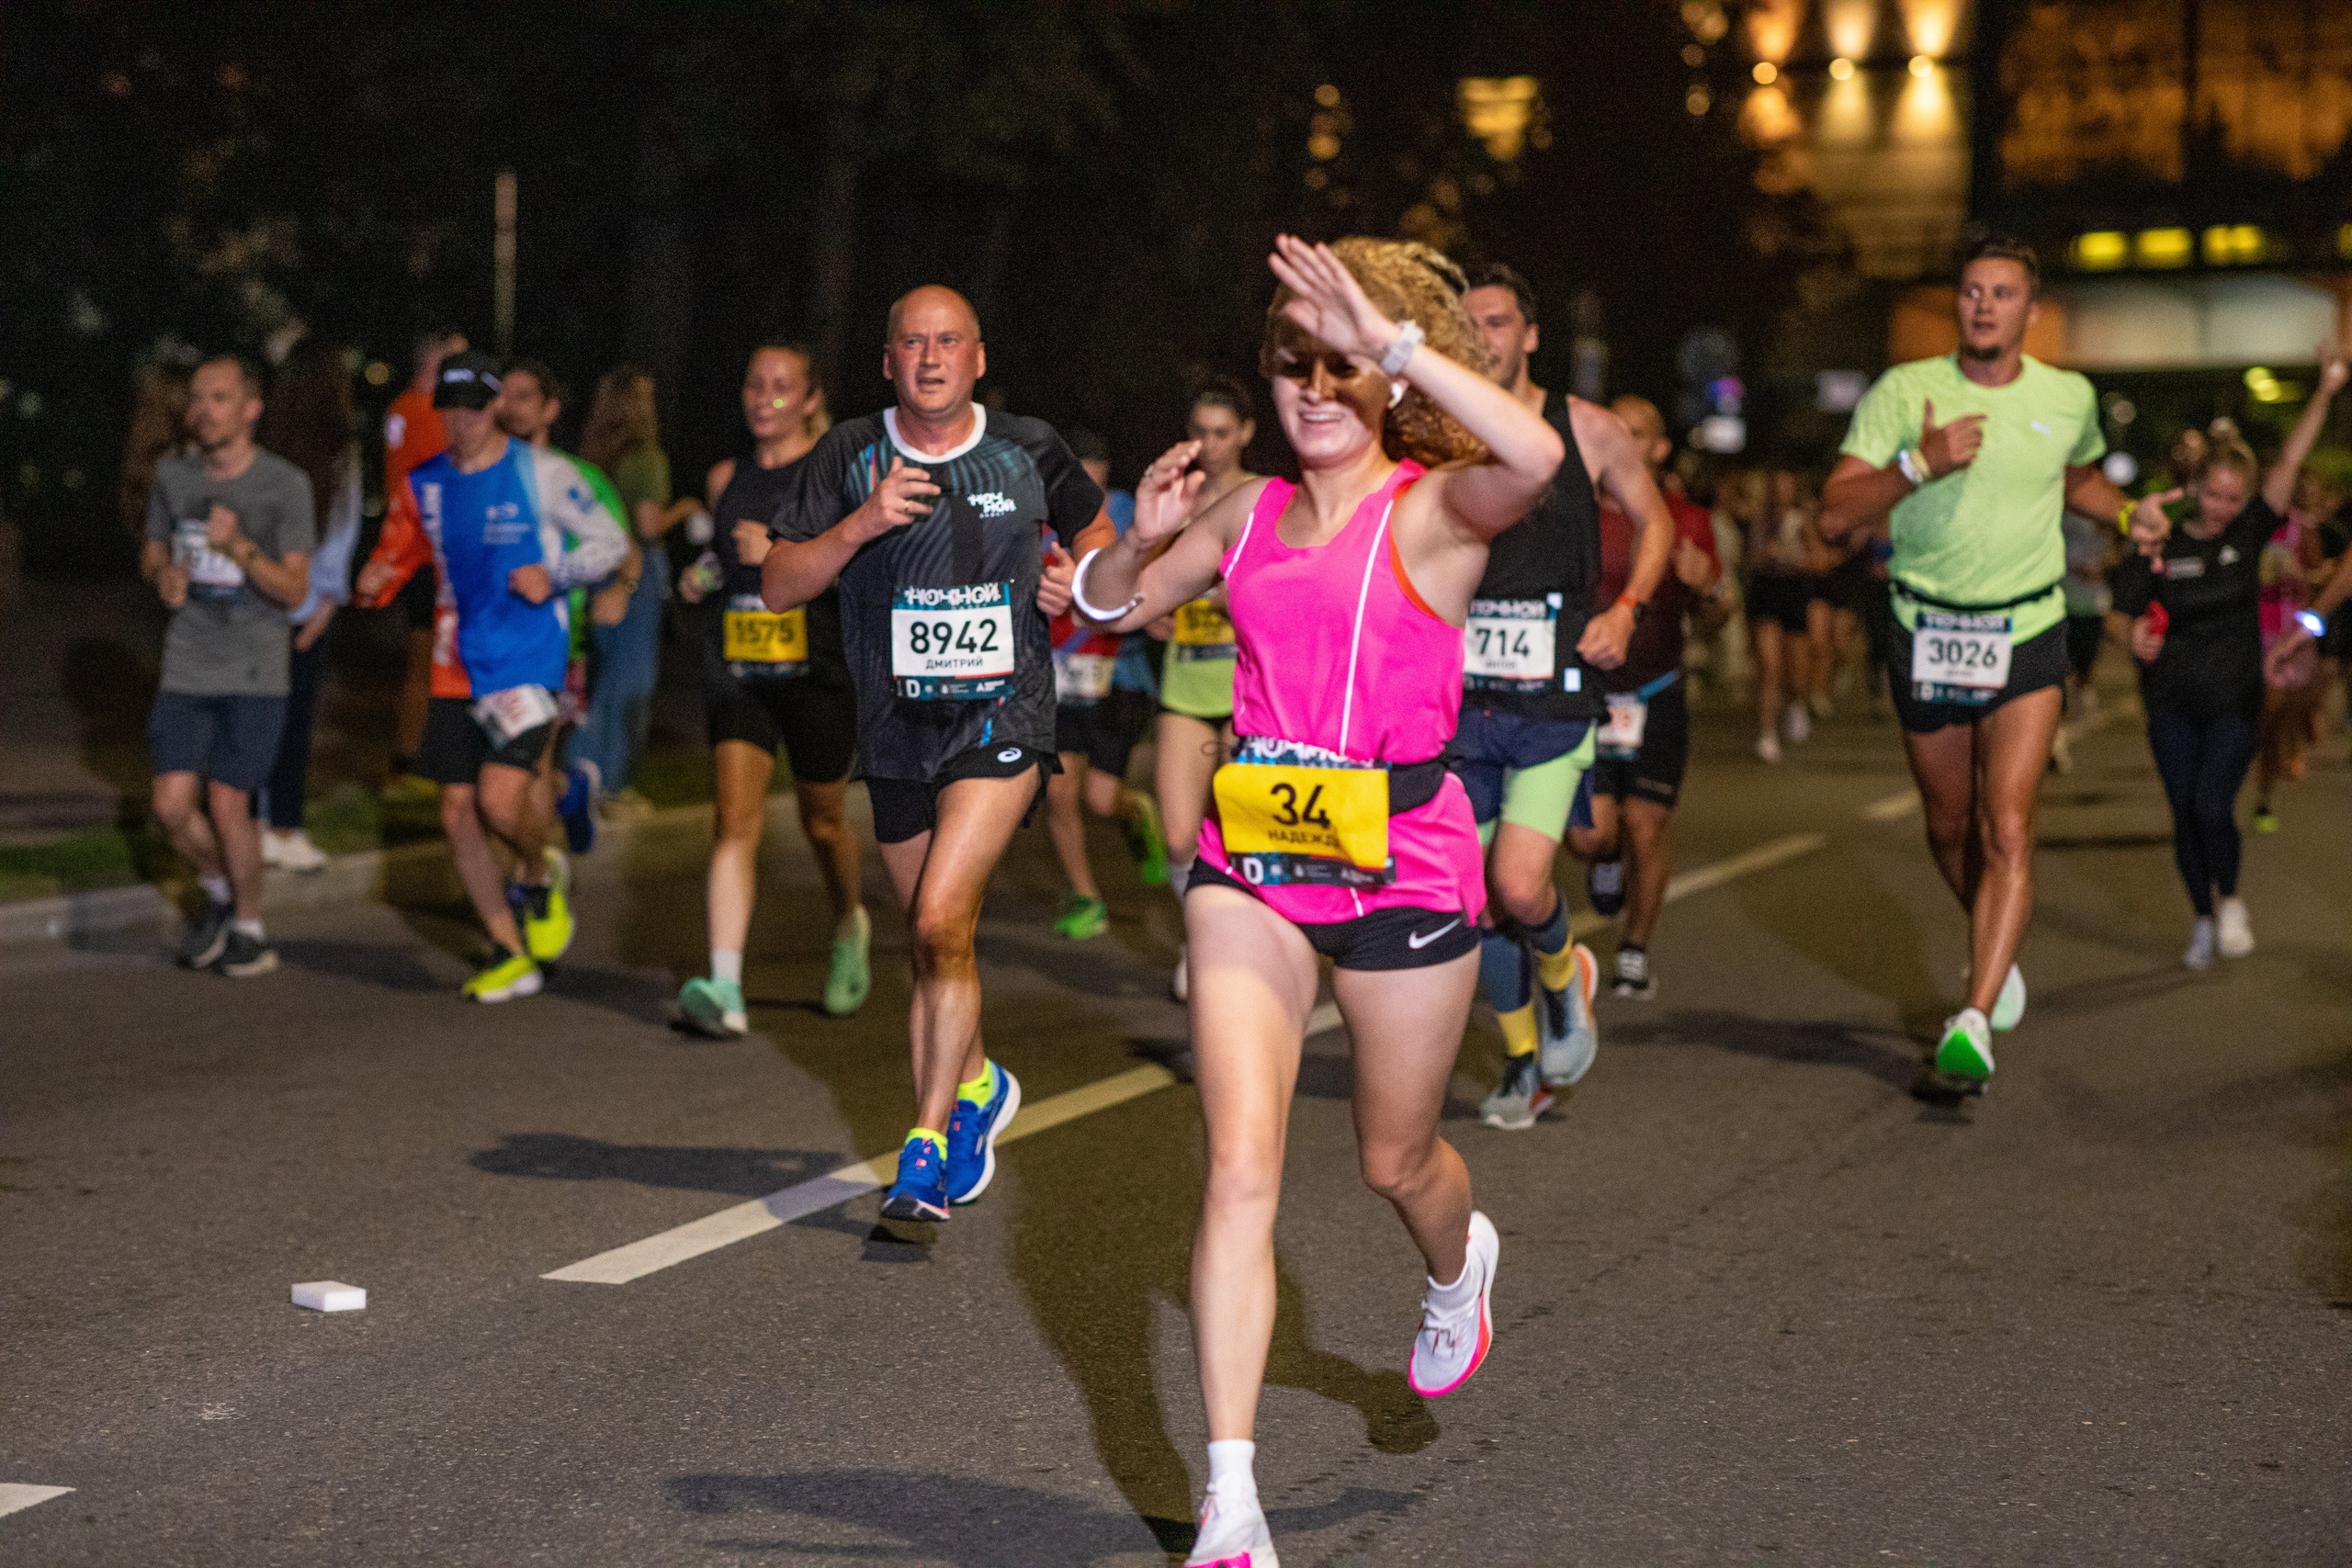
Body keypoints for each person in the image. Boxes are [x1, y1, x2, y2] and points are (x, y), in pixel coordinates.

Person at [1076, 235, 1565, 1568]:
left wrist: (1398, 341)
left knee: (1395, 1159)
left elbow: (1539, 463)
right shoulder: (1243, 514)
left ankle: (1458, 1263)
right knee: (1240, 1166)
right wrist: (1140, 539)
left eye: (1335, 356)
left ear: (1384, 368)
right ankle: (1232, 1501)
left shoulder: (1436, 507)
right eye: (1290, 356)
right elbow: (1103, 605)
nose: (1309, 383)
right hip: (1256, 861)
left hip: (1404, 859)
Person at [761, 286, 1093, 1223]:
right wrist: (860, 524)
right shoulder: (847, 454)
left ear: (978, 357)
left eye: (949, 341)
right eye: (913, 343)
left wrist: (1079, 578)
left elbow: (1096, 528)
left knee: (944, 913)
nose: (933, 358)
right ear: (888, 361)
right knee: (931, 935)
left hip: (1003, 717)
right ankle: (979, 1084)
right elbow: (780, 586)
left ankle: (924, 1144)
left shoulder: (1027, 447)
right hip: (898, 731)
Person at [1821, 233, 2171, 1089]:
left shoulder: (2066, 395)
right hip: (1928, 627)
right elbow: (1836, 517)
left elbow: (2075, 478)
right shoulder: (1905, 392)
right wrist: (1920, 463)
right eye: (1972, 291)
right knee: (1949, 826)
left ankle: (1972, 1014)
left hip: (2026, 628)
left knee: (2007, 824)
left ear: (2030, 310)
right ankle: (1996, 944)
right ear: (1959, 305)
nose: (1984, 305)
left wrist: (2128, 518)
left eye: (2002, 293)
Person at [1455, 263, 1671, 1131]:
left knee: (1516, 883)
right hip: (1462, 707)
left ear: (1530, 334)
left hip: (1553, 701)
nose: (1484, 340)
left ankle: (1563, 974)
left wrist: (1625, 609)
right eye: (1469, 327)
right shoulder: (1437, 433)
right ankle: (1519, 1064)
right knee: (1468, 898)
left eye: (1499, 322)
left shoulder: (1586, 428)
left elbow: (1653, 521)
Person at [357, 352, 628, 1001]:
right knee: (455, 811)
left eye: (474, 408)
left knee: (499, 799)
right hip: (457, 661)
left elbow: (611, 544)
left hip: (529, 656)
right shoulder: (425, 482)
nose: (462, 421)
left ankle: (537, 871)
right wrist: (373, 582)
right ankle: (510, 948)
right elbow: (397, 552)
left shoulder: (543, 474)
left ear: (495, 407)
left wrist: (554, 575)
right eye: (449, 409)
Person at [2117, 352, 2345, 967]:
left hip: (2234, 697)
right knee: (2183, 815)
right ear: (2194, 489)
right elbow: (2122, 608)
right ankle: (2201, 916)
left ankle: (2233, 899)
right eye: (2213, 495)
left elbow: (2291, 462)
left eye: (2233, 497)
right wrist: (2129, 634)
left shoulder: (2247, 534)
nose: (2221, 506)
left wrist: (2325, 390)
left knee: (2212, 805)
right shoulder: (2159, 539)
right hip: (2169, 699)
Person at [672, 343, 872, 1032]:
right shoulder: (727, 474)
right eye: (756, 385)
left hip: (818, 671)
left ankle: (849, 921)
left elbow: (869, 576)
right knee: (733, 821)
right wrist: (704, 573)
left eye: (782, 387)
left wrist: (786, 559)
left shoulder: (839, 476)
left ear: (812, 398)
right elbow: (721, 551)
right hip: (740, 668)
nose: (765, 398)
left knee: (823, 822)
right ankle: (724, 986)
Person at [140, 355, 316, 977]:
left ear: (250, 409)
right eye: (198, 398)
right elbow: (153, 547)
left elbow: (296, 589)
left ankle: (250, 927)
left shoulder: (284, 485)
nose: (204, 410)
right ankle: (217, 890)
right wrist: (164, 574)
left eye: (220, 398)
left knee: (228, 801)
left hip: (254, 668)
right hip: (188, 660)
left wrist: (239, 547)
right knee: (168, 804)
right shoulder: (174, 474)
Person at [1569, 395, 1729, 999]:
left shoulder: (1685, 519)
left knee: (1646, 824)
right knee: (1589, 836)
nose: (1621, 441)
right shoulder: (1576, 513)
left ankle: (1634, 947)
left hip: (1657, 690)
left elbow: (1718, 616)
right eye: (1612, 429)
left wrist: (1707, 587)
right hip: (1587, 694)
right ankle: (1604, 863)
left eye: (1635, 432)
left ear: (1659, 450)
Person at [1154, 379, 1261, 997]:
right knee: (1176, 834)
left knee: (1238, 830)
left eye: (1222, 432)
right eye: (1200, 432)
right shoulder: (1178, 496)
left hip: (1246, 688)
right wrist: (1156, 610)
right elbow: (1150, 574)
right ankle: (1201, 928)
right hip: (1185, 682)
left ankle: (1233, 942)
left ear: (1245, 432)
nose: (1210, 445)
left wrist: (1232, 601)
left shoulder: (1261, 498)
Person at [497, 358, 628, 855]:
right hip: (491, 640)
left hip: (558, 640)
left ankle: (534, 874)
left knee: (533, 759)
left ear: (551, 409)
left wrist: (618, 589)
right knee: (510, 766)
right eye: (503, 396)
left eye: (525, 396)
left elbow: (622, 547)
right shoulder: (483, 474)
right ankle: (569, 794)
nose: (510, 407)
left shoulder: (578, 476)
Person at [1044, 429, 1169, 941]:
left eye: (1095, 483)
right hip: (1058, 679)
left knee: (1099, 799)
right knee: (1058, 793)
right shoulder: (1040, 523)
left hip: (1119, 680)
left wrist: (1150, 612)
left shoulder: (1127, 516)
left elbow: (1157, 578)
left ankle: (1135, 810)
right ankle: (1086, 897)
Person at [254, 341, 363, 874]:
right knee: (295, 721)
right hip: (307, 603)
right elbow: (344, 529)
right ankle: (285, 827)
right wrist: (327, 601)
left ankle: (254, 822)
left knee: (255, 719)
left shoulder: (266, 441)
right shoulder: (341, 448)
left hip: (263, 597)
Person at [576, 367, 705, 817]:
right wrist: (686, 508)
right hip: (636, 572)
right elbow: (649, 526)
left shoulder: (592, 455)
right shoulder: (648, 458)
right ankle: (611, 786)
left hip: (596, 568)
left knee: (599, 679)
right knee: (631, 684)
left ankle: (580, 776)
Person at [381, 329, 466, 803]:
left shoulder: (400, 408)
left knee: (428, 658)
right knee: (428, 658)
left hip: (415, 551)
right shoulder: (427, 411)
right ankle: (412, 762)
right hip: (430, 554)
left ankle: (414, 759)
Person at [1744, 468, 1816, 761]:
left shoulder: (1800, 521)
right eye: (1775, 488)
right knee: (1769, 666)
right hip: (1765, 594)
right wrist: (1764, 557)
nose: (1779, 494)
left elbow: (1817, 559)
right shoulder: (1757, 520)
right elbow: (1746, 559)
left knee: (1795, 671)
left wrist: (1792, 559)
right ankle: (1767, 734)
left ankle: (1795, 702)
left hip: (1793, 592)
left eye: (1785, 488)